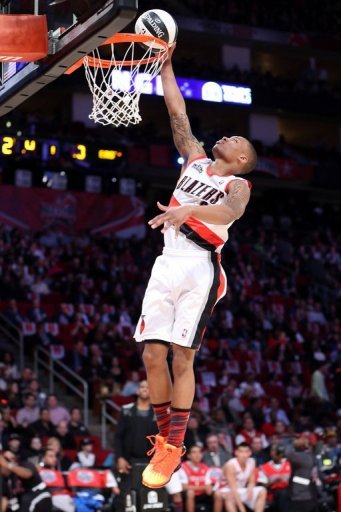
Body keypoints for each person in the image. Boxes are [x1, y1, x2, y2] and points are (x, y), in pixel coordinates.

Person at [134, 44, 257, 490]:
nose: (226, 138)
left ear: (242, 158)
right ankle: (164, 438)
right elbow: (177, 113)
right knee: (151, 354)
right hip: (167, 261)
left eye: (236, 141)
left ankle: (172, 447)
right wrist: (164, 66)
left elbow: (228, 214)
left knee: (182, 357)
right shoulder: (196, 159)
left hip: (201, 268)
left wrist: (187, 213)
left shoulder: (237, 183)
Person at [220, 442, 267, 512]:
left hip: (241, 489)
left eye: (246, 452)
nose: (244, 455)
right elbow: (233, 488)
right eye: (241, 452)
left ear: (250, 453)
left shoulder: (252, 461)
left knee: (262, 491)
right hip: (228, 489)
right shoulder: (230, 465)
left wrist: (250, 488)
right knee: (229, 496)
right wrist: (242, 509)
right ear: (236, 453)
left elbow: (252, 481)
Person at [286, 436, 319, 512]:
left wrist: (293, 443)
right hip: (310, 494)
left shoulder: (301, 457)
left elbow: (287, 453)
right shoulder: (312, 456)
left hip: (300, 496)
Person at [178, 445, 215, 512]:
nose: (197, 455)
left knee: (217, 494)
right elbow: (184, 487)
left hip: (202, 494)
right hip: (187, 494)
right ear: (188, 455)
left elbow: (209, 489)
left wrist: (207, 488)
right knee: (190, 492)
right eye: (194, 452)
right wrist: (203, 487)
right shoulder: (183, 467)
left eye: (199, 452)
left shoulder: (205, 467)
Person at [258, 445, 291, 512]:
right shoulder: (264, 467)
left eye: (276, 451)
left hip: (289, 491)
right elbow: (261, 487)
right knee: (283, 494)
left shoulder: (289, 464)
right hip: (273, 494)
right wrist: (273, 482)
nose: (274, 453)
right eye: (272, 451)